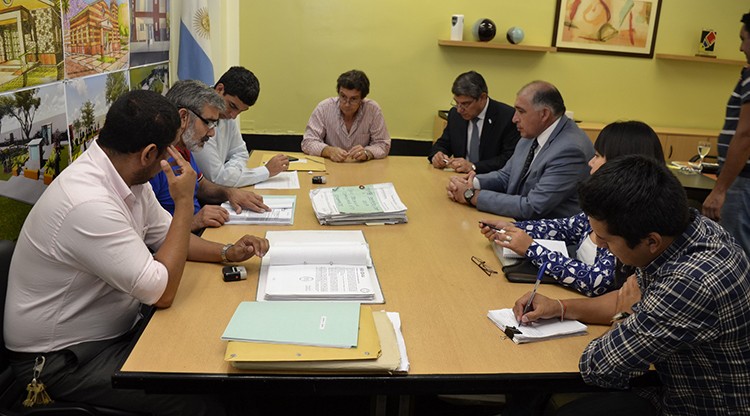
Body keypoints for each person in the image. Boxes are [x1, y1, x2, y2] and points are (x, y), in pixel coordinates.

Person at [4, 90, 270, 415]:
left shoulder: (127, 177)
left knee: (215, 357)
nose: (174, 158)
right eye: (169, 149)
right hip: (61, 361)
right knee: (201, 403)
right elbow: (162, 293)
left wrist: (227, 252)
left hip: (115, 333)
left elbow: (168, 236)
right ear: (148, 154)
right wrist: (184, 203)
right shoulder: (87, 202)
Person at [513, 155, 750, 415]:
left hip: (697, 406)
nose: (602, 247)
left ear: (651, 241)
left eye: (606, 240)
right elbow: (626, 297)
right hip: (668, 384)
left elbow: (599, 368)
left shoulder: (689, 283)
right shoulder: (689, 229)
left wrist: (625, 316)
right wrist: (560, 307)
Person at [479, 121, 664, 296]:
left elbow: (596, 281)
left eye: (598, 156)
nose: (590, 162)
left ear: (620, 164)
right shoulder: (606, 201)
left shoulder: (631, 222)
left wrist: (531, 249)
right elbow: (565, 227)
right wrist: (511, 228)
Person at [447, 80, 594, 220]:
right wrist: (472, 182)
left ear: (544, 114)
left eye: (521, 111)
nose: (514, 119)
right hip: (516, 222)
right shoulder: (532, 133)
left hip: (546, 232)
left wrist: (471, 195)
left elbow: (532, 206)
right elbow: (506, 176)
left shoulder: (570, 150)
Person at [150, 80, 272, 233]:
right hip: (183, 238)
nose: (212, 133)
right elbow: (148, 234)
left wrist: (229, 192)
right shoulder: (155, 162)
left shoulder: (185, 148)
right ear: (183, 117)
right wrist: (194, 222)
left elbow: (201, 185)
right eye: (208, 123)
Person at [192, 66, 290, 187]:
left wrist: (231, 173)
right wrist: (266, 171)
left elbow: (240, 152)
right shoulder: (198, 117)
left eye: (240, 111)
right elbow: (217, 178)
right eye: (232, 106)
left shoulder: (226, 114)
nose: (233, 116)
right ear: (219, 89)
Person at [702, 11, 750, 254]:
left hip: (742, 181)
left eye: (744, 39)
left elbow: (746, 135)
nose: (741, 47)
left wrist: (720, 189)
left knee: (736, 254)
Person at [428, 71, 520, 173]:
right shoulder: (455, 115)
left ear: (483, 98)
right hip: (459, 178)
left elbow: (508, 158)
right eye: (456, 103)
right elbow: (443, 143)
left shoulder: (507, 117)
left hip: (491, 178)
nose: (459, 109)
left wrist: (474, 167)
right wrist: (437, 155)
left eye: (465, 104)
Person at [301, 69, 391, 162]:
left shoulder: (372, 110)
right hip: (331, 166)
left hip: (361, 166)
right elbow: (308, 142)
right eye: (343, 96)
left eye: (353, 99)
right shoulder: (324, 108)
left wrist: (367, 152)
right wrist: (328, 151)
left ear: (362, 99)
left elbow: (383, 144)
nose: (347, 104)